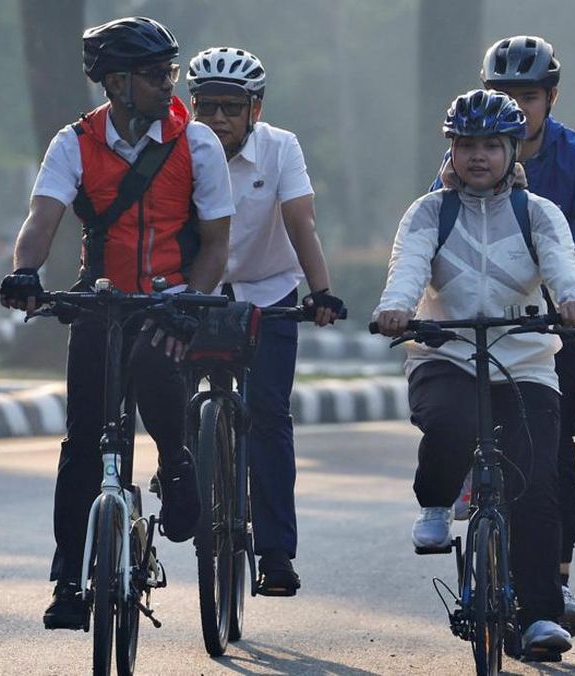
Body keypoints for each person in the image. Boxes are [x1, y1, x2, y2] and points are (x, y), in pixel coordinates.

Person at [0, 16, 234, 630]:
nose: (169, 85)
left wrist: (190, 300)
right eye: (157, 75)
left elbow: (214, 246)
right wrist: (25, 272)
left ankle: (178, 466)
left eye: (170, 72)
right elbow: (41, 219)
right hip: (101, 301)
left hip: (173, 302)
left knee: (158, 374)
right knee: (83, 444)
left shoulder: (196, 142)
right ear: (118, 83)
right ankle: (69, 581)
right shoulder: (73, 142)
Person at [377, 89, 575, 655]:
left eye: (491, 146)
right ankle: (434, 501)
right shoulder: (429, 211)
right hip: (444, 354)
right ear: (450, 152)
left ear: (512, 151)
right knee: (449, 426)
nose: (478, 156)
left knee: (538, 485)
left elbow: (564, 271)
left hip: (524, 360)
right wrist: (397, 309)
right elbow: (407, 269)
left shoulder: (538, 212)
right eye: (466, 145)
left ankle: (539, 618)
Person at [431, 36, 575, 636]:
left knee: (550, 452)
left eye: (528, 96)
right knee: (468, 423)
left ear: (551, 97)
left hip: (556, 313)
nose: (516, 108)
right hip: (477, 311)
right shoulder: (468, 151)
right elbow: (432, 229)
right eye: (503, 95)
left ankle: (555, 576)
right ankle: (476, 505)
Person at [186, 46, 342, 596]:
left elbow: (302, 221)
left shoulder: (282, 148)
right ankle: (180, 463)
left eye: (232, 106)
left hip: (270, 293)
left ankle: (275, 553)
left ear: (256, 109)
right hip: (194, 294)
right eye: (207, 107)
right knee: (167, 389)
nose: (219, 120)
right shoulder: (178, 148)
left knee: (270, 415)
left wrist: (321, 291)